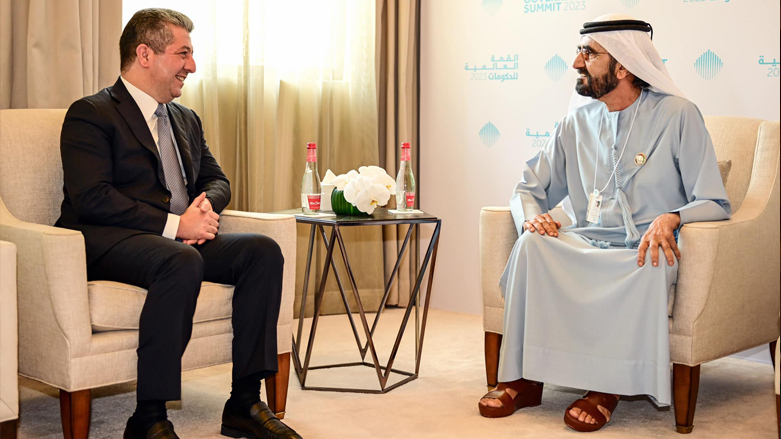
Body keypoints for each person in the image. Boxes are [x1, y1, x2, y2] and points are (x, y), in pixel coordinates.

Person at [477, 14, 731, 432]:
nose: (577, 63)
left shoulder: (680, 115)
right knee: (532, 247)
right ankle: (524, 379)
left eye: (588, 54)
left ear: (624, 65)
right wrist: (531, 219)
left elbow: (715, 202)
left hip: (642, 247)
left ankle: (606, 386)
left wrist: (672, 217)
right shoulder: (576, 121)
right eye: (580, 52)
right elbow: (528, 187)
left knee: (647, 263)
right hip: (586, 240)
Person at [56, 8, 302, 439]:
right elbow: (92, 197)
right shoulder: (92, 113)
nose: (192, 66)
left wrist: (204, 209)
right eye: (183, 53)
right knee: (179, 260)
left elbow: (217, 178)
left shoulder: (185, 119)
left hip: (175, 239)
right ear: (145, 54)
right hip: (109, 240)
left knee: (261, 250)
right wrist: (176, 226)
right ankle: (148, 417)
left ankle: (243, 402)